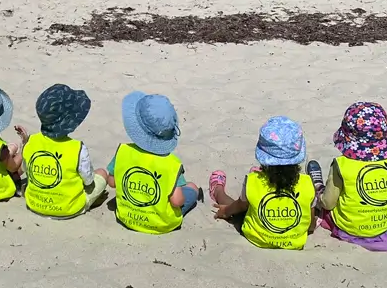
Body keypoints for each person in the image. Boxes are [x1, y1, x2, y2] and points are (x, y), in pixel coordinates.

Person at [316, 102, 387, 253]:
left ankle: (316, 184)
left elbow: (328, 203)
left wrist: (320, 194)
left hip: (353, 227)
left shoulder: (342, 165)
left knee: (324, 208)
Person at [208, 116, 317, 250]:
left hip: (258, 237)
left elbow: (240, 206)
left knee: (240, 204)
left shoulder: (252, 180)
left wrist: (225, 211)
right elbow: (310, 224)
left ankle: (218, 191)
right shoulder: (307, 183)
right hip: (294, 242)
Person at [101, 92, 200, 234]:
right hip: (160, 223)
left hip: (127, 216)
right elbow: (177, 201)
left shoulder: (123, 151)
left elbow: (112, 182)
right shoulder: (171, 163)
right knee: (192, 187)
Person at [23, 84, 108, 218]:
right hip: (68, 208)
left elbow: (27, 170)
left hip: (34, 203)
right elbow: (88, 180)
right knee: (102, 173)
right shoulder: (77, 147)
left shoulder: (31, 141)